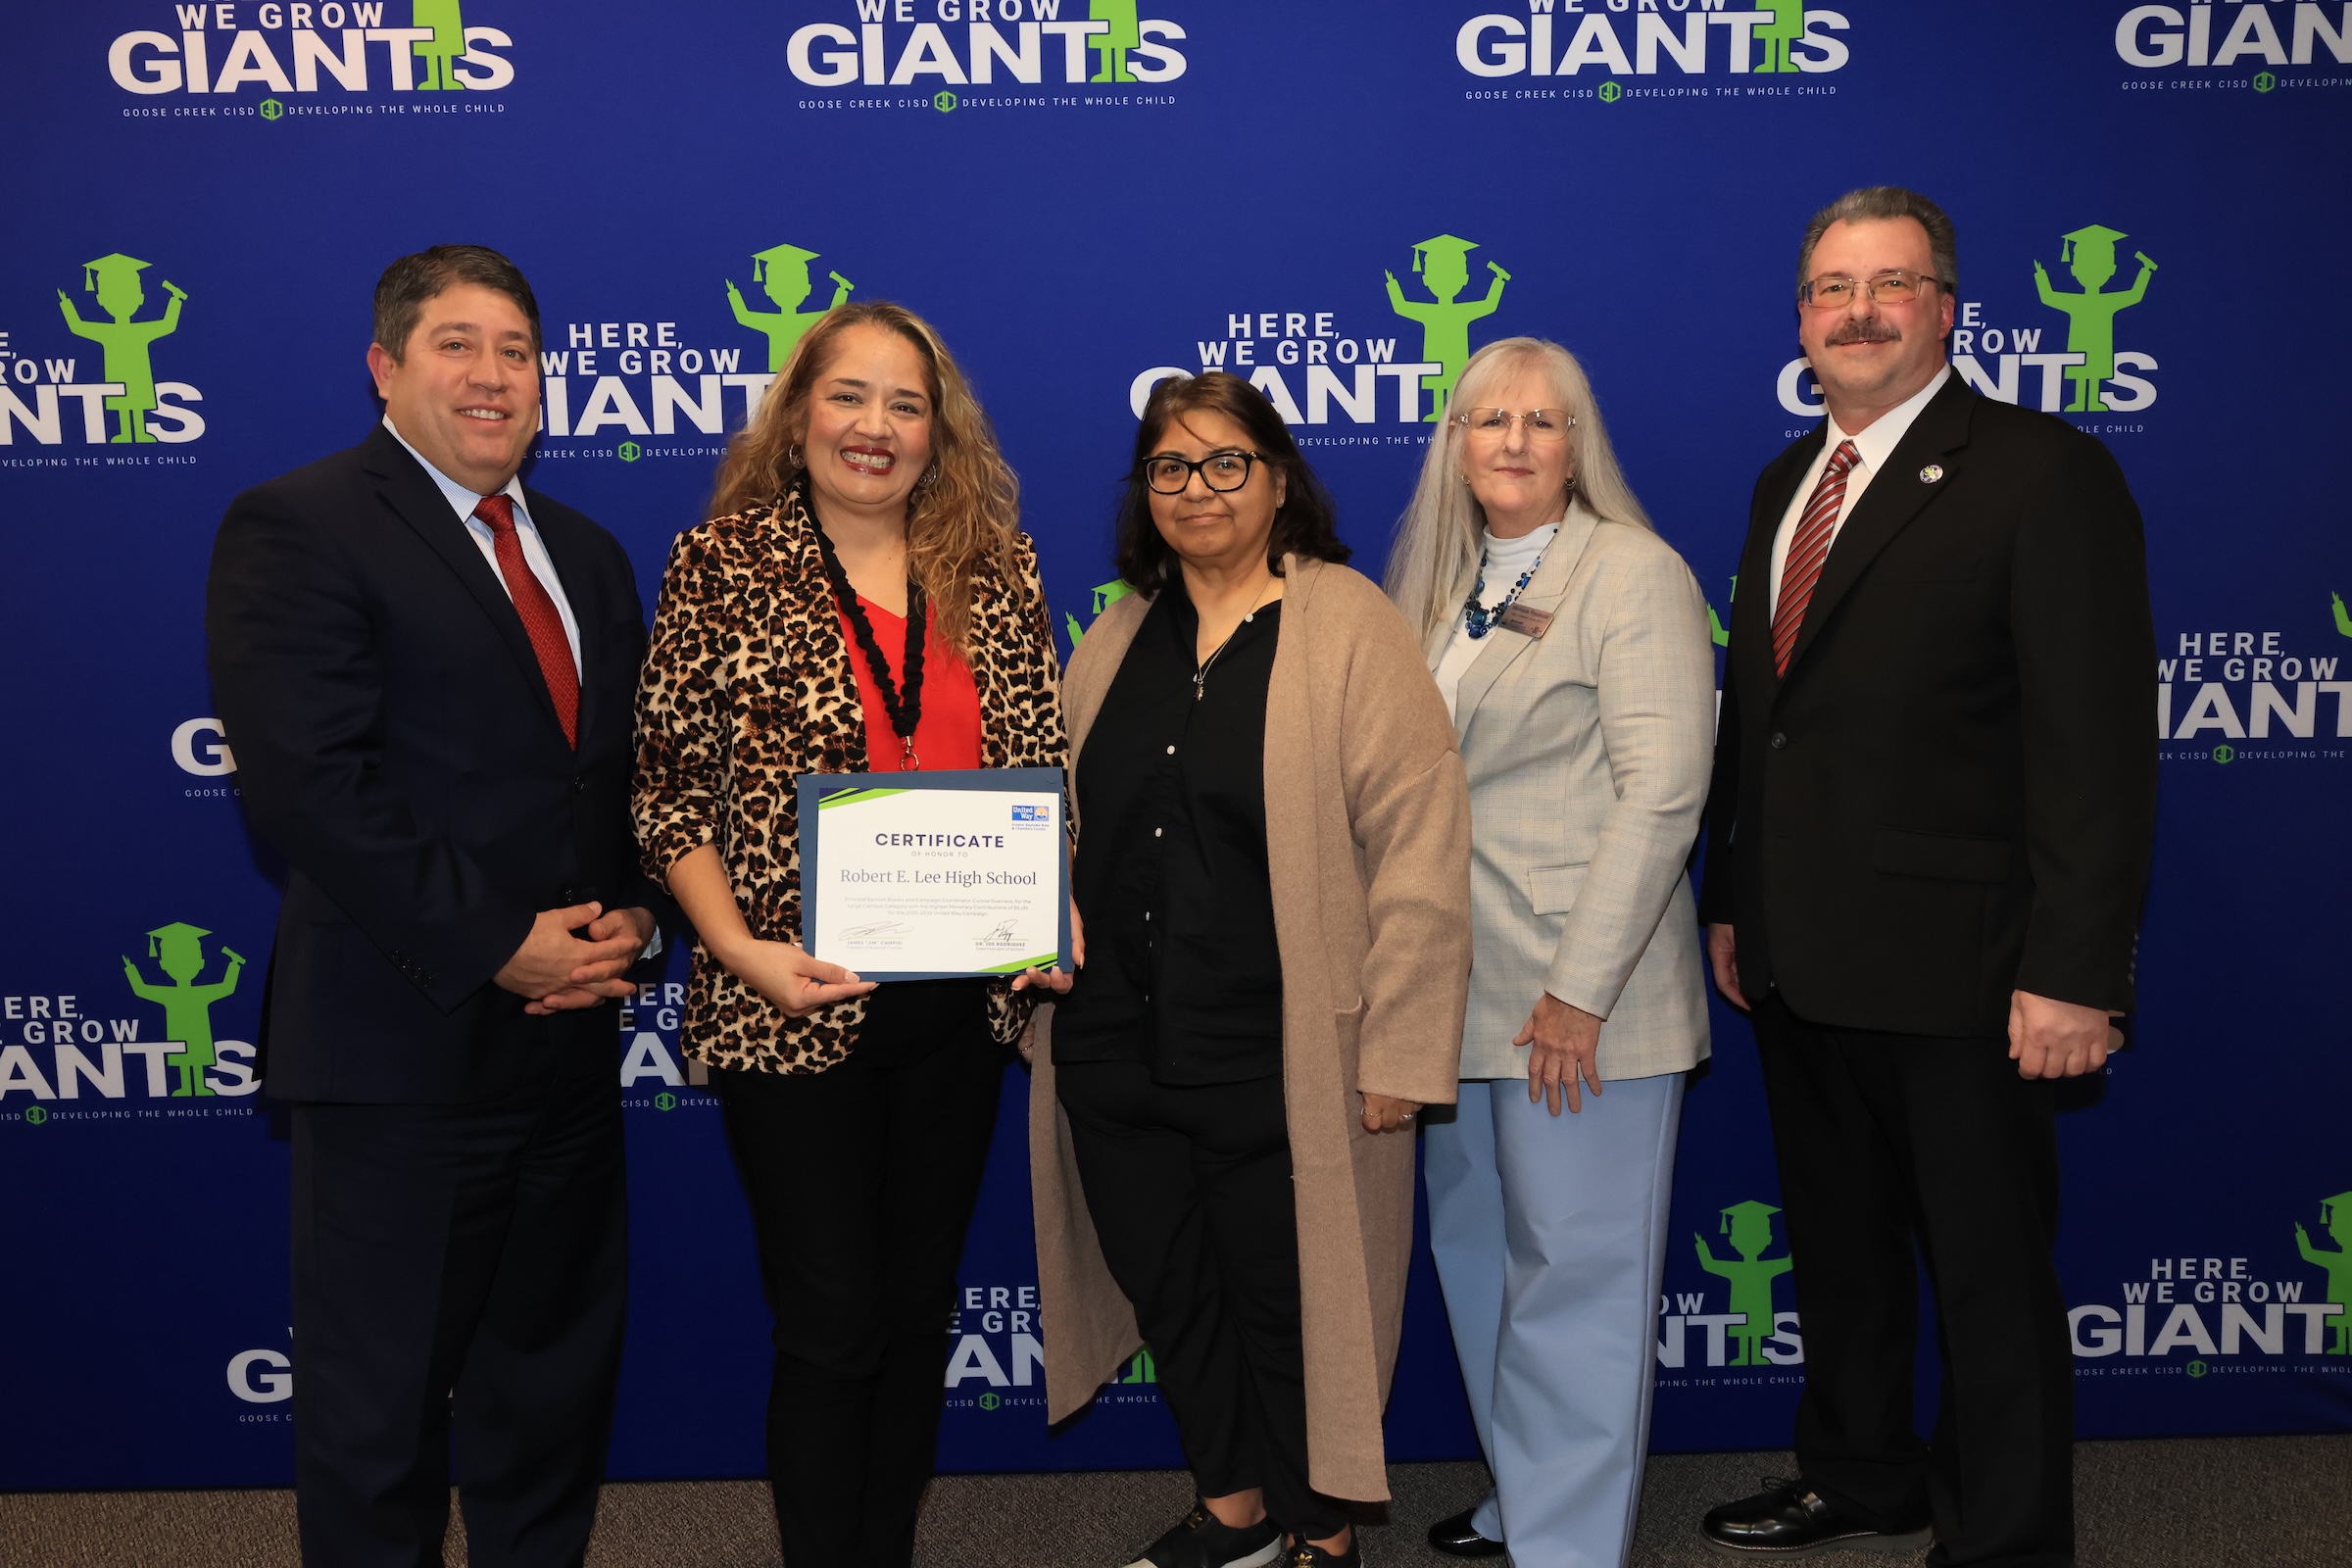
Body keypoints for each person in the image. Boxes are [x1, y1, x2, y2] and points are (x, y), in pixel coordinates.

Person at [1697, 186, 2156, 1566]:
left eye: (1889, 283)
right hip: (1797, 955)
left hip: (1965, 969)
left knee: (1988, 1281)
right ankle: (1860, 1473)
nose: (1858, 312)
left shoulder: (2042, 471)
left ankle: (2005, 1539)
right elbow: (1767, 716)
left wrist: (2074, 969)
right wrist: (1732, 897)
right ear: (1800, 322)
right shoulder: (1791, 481)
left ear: (1947, 306)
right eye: (1832, 289)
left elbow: (2096, 749)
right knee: (1840, 1251)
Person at [206, 244, 660, 1567]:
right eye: (457, 345)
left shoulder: (583, 548)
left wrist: (633, 911)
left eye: (516, 350)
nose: (492, 375)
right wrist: (498, 942)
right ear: (386, 368)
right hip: (399, 1049)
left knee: (547, 1394)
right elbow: (310, 785)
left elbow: (616, 772)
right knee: (379, 1413)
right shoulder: (298, 522)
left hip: (571, 1045)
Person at [631, 301, 1066, 1568]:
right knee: (828, 1319)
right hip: (788, 996)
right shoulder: (718, 563)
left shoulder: (998, 566)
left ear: (941, 432)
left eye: (905, 403)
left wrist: (1048, 912)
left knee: (915, 1311)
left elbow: (1041, 771)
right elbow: (667, 793)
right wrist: (735, 948)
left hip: (957, 1000)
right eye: (849, 397)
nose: (874, 428)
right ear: (798, 413)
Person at [1025, 371, 1473, 1568]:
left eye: (1228, 461)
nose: (1198, 488)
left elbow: (1422, 851)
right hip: (1114, 1049)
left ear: (1279, 480)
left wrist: (1402, 1047)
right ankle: (1232, 1512)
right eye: (1171, 467)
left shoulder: (1346, 623)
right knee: (1175, 1297)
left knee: (1291, 1312)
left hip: (1279, 1059)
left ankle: (1320, 1535)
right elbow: (1056, 830)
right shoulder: (1118, 635)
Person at [1385, 337, 1715, 1568]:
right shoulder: (1445, 584)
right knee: (1481, 1265)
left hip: (1583, 1005)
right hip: (1458, 997)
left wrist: (1580, 991)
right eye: (1488, 419)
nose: (1514, 440)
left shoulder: (1634, 573)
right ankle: (1529, 1500)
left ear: (1580, 445)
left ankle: (1568, 1548)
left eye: (1544, 419)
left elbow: (1665, 791)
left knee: (1572, 1281)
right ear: (1455, 444)